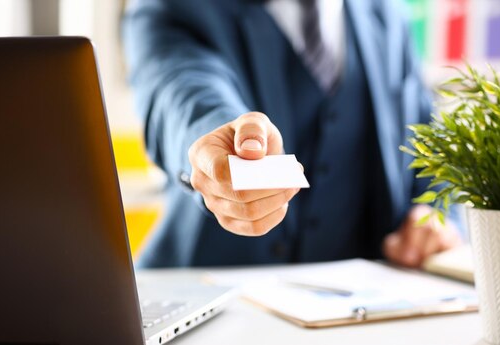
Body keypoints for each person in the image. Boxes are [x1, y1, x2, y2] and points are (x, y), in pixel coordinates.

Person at [122, 0, 461, 268]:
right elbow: (182, 97)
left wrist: (437, 217)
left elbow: (427, 142)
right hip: (212, 301)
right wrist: (215, 147)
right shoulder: (173, 8)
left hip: (361, 313)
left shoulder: (389, 14)